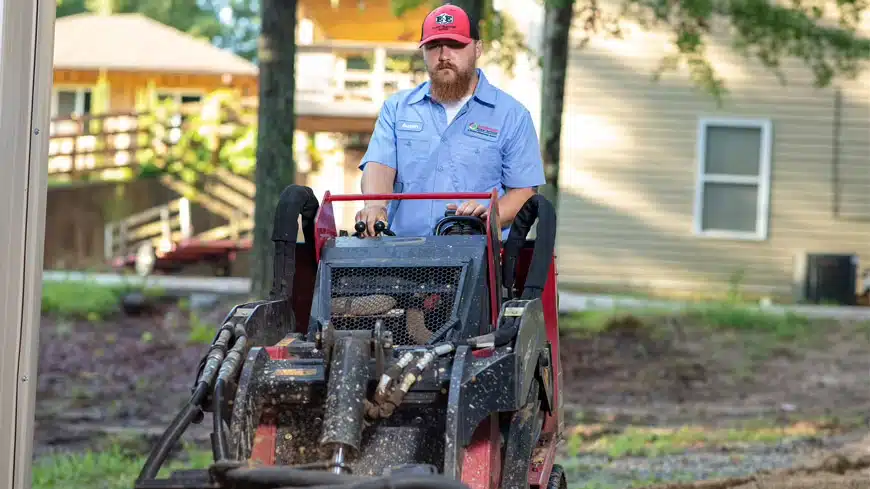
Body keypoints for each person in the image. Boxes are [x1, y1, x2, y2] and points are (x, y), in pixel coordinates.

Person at [354, 3, 546, 238]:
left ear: (477, 48)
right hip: (401, 256)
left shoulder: (512, 116)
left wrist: (489, 215)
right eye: (434, 46)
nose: (444, 56)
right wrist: (375, 205)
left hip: (478, 259)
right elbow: (379, 166)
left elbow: (524, 192)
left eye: (455, 45)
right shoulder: (397, 109)